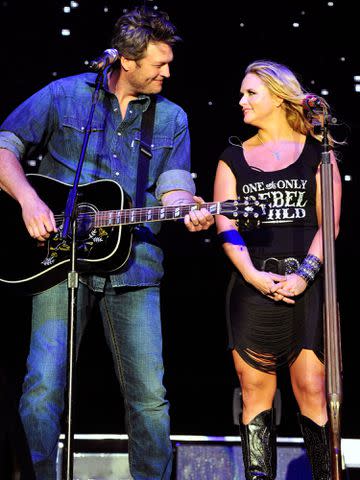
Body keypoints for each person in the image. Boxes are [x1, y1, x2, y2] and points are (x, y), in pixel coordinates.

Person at [0, 6, 214, 479]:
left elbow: (173, 187)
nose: (168, 71)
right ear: (127, 61)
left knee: (149, 400)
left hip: (135, 265)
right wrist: (30, 201)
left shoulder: (172, 117)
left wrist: (188, 208)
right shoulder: (65, 95)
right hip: (60, 261)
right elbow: (5, 145)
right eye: (159, 64)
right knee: (41, 390)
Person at [214, 59, 342, 479]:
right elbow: (224, 222)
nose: (242, 101)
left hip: (309, 285)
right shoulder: (232, 157)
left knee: (312, 388)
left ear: (279, 95)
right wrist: (251, 274)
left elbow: (331, 222)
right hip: (253, 286)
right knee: (254, 392)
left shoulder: (317, 153)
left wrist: (305, 274)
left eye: (251, 93)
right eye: (242, 93)